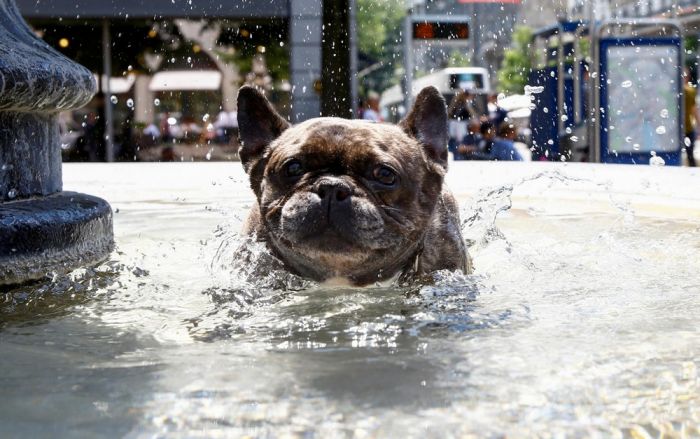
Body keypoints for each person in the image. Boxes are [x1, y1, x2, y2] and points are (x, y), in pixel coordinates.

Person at [683, 68, 700, 167]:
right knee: (690, 156)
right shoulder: (690, 90)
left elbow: (694, 110)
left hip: (687, 128)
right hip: (686, 129)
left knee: (690, 156)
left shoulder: (689, 91)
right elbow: (695, 111)